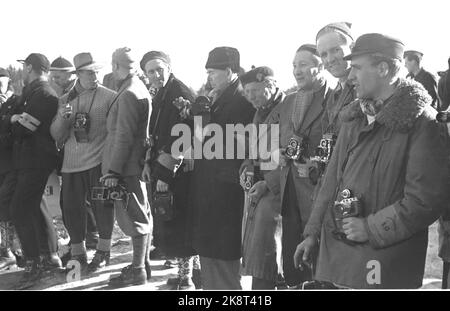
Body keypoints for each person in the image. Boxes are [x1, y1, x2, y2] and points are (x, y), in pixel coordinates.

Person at [294, 33, 449, 289]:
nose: (350, 75)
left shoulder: (424, 123)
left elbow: (425, 200)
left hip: (384, 264)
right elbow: (330, 180)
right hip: (338, 262)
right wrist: (311, 233)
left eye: (356, 67)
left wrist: (370, 228)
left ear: (383, 69)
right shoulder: (353, 118)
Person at [189, 46, 255, 289]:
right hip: (212, 190)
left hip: (226, 193)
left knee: (224, 265)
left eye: (212, 72)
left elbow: (248, 146)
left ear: (229, 71)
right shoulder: (218, 97)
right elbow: (199, 142)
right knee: (212, 262)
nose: (208, 78)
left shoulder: (242, 99)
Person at [50, 52, 116, 273]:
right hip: (71, 164)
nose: (94, 76)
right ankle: (78, 254)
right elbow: (57, 136)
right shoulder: (65, 99)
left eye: (96, 71)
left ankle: (104, 252)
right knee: (71, 209)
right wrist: (62, 117)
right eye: (89, 72)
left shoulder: (110, 96)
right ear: (78, 74)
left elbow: (117, 131)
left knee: (103, 206)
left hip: (98, 162)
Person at [273, 44, 331, 287]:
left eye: (303, 64)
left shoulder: (333, 100)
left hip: (318, 193)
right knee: (292, 259)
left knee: (317, 261)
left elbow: (336, 143)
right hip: (290, 191)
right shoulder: (288, 101)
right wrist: (279, 153)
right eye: (294, 65)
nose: (297, 70)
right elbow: (268, 137)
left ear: (320, 67)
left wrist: (315, 163)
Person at [140, 51, 199, 290]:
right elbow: (154, 133)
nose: (156, 75)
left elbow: (183, 135)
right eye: (150, 71)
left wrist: (164, 174)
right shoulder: (161, 93)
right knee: (172, 219)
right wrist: (147, 163)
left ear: (169, 67)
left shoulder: (179, 93)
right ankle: (192, 273)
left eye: (159, 69)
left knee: (178, 221)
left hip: (178, 169)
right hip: (163, 164)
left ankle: (185, 279)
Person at [96, 47, 152, 287]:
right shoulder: (136, 87)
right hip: (132, 165)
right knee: (141, 214)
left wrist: (113, 171)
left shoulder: (128, 92)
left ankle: (138, 269)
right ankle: (142, 265)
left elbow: (124, 136)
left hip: (125, 167)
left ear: (116, 66)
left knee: (134, 218)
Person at [9, 53, 61, 289]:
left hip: (36, 159)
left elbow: (24, 129)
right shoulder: (32, 93)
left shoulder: (44, 94)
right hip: (27, 159)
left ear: (30, 67)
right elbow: (12, 121)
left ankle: (34, 263)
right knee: (36, 207)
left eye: (25, 68)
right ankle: (50, 257)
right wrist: (12, 120)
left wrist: (13, 123)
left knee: (19, 209)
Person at [238, 66, 285, 289]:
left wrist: (268, 182)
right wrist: (247, 167)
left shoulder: (286, 109)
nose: (250, 97)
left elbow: (289, 154)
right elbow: (255, 150)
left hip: (281, 189)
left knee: (269, 247)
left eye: (255, 90)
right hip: (262, 185)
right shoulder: (261, 111)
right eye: (246, 92)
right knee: (261, 247)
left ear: (271, 85)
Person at [49, 56, 99, 253]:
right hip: (71, 152)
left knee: (82, 199)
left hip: (88, 153)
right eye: (52, 77)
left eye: (58, 77)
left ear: (71, 75)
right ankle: (82, 238)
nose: (54, 80)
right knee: (70, 200)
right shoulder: (65, 96)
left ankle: (90, 237)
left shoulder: (82, 92)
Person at [316, 22, 356, 137]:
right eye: (323, 54)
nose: (330, 59)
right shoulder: (333, 95)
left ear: (352, 48)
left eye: (335, 50)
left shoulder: (366, 89)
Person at [0, 68, 23, 270]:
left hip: (14, 162)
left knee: (7, 203)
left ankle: (11, 250)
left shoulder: (17, 101)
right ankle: (9, 250)